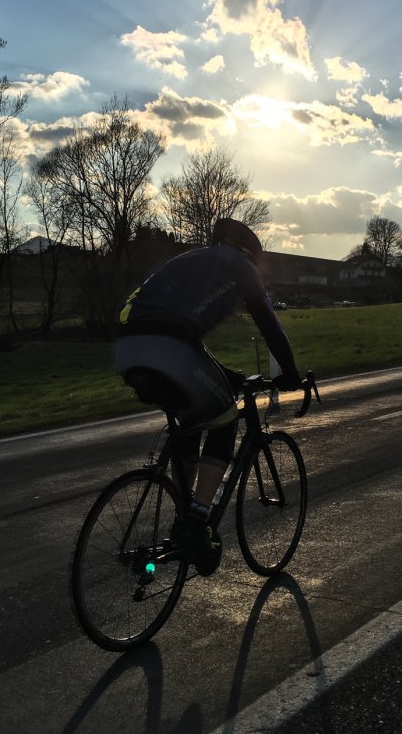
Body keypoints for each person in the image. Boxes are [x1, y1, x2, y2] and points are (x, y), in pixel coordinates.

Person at [115, 218, 301, 576]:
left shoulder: (186, 260)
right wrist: (290, 371)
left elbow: (185, 335)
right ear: (250, 253)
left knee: (192, 416)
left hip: (127, 349)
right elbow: (269, 322)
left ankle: (184, 510)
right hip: (170, 350)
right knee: (224, 417)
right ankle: (198, 520)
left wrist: (223, 375)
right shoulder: (240, 266)